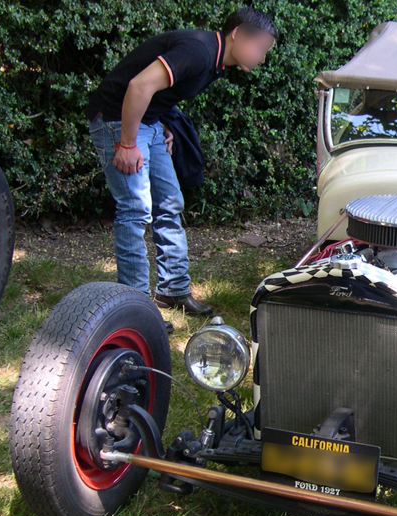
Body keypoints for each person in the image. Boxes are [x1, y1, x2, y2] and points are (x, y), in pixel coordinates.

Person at [86, 7, 277, 329]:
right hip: (118, 121)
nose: (261, 58)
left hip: (148, 123)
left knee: (170, 203)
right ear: (238, 34)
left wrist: (163, 125)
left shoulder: (216, 62)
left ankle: (173, 290)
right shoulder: (199, 51)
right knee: (135, 210)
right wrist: (129, 143)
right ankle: (135, 308)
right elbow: (139, 86)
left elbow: (160, 94)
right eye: (260, 48)